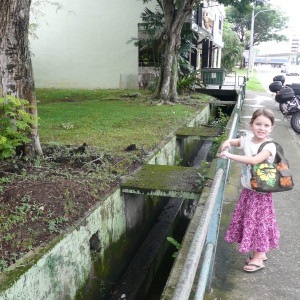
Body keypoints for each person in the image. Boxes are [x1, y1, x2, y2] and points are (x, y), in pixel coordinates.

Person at [217, 108, 280, 272]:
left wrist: (229, 156)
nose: (262, 128)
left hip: (261, 193)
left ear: (271, 128)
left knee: (259, 222)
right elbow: (236, 141)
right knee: (252, 221)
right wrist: (227, 143)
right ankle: (261, 252)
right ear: (251, 125)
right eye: (258, 124)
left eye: (266, 125)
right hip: (249, 191)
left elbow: (254, 160)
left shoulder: (269, 146)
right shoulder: (247, 140)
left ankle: (258, 257)